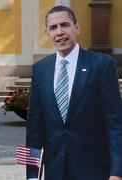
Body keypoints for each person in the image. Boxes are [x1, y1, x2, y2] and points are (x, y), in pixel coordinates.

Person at [26, 5, 122, 180]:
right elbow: (34, 131)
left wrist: (117, 172)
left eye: (65, 25)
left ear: (77, 28)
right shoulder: (40, 70)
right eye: (53, 28)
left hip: (95, 172)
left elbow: (115, 124)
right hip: (55, 172)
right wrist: (32, 176)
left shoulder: (102, 65)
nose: (60, 32)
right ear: (47, 33)